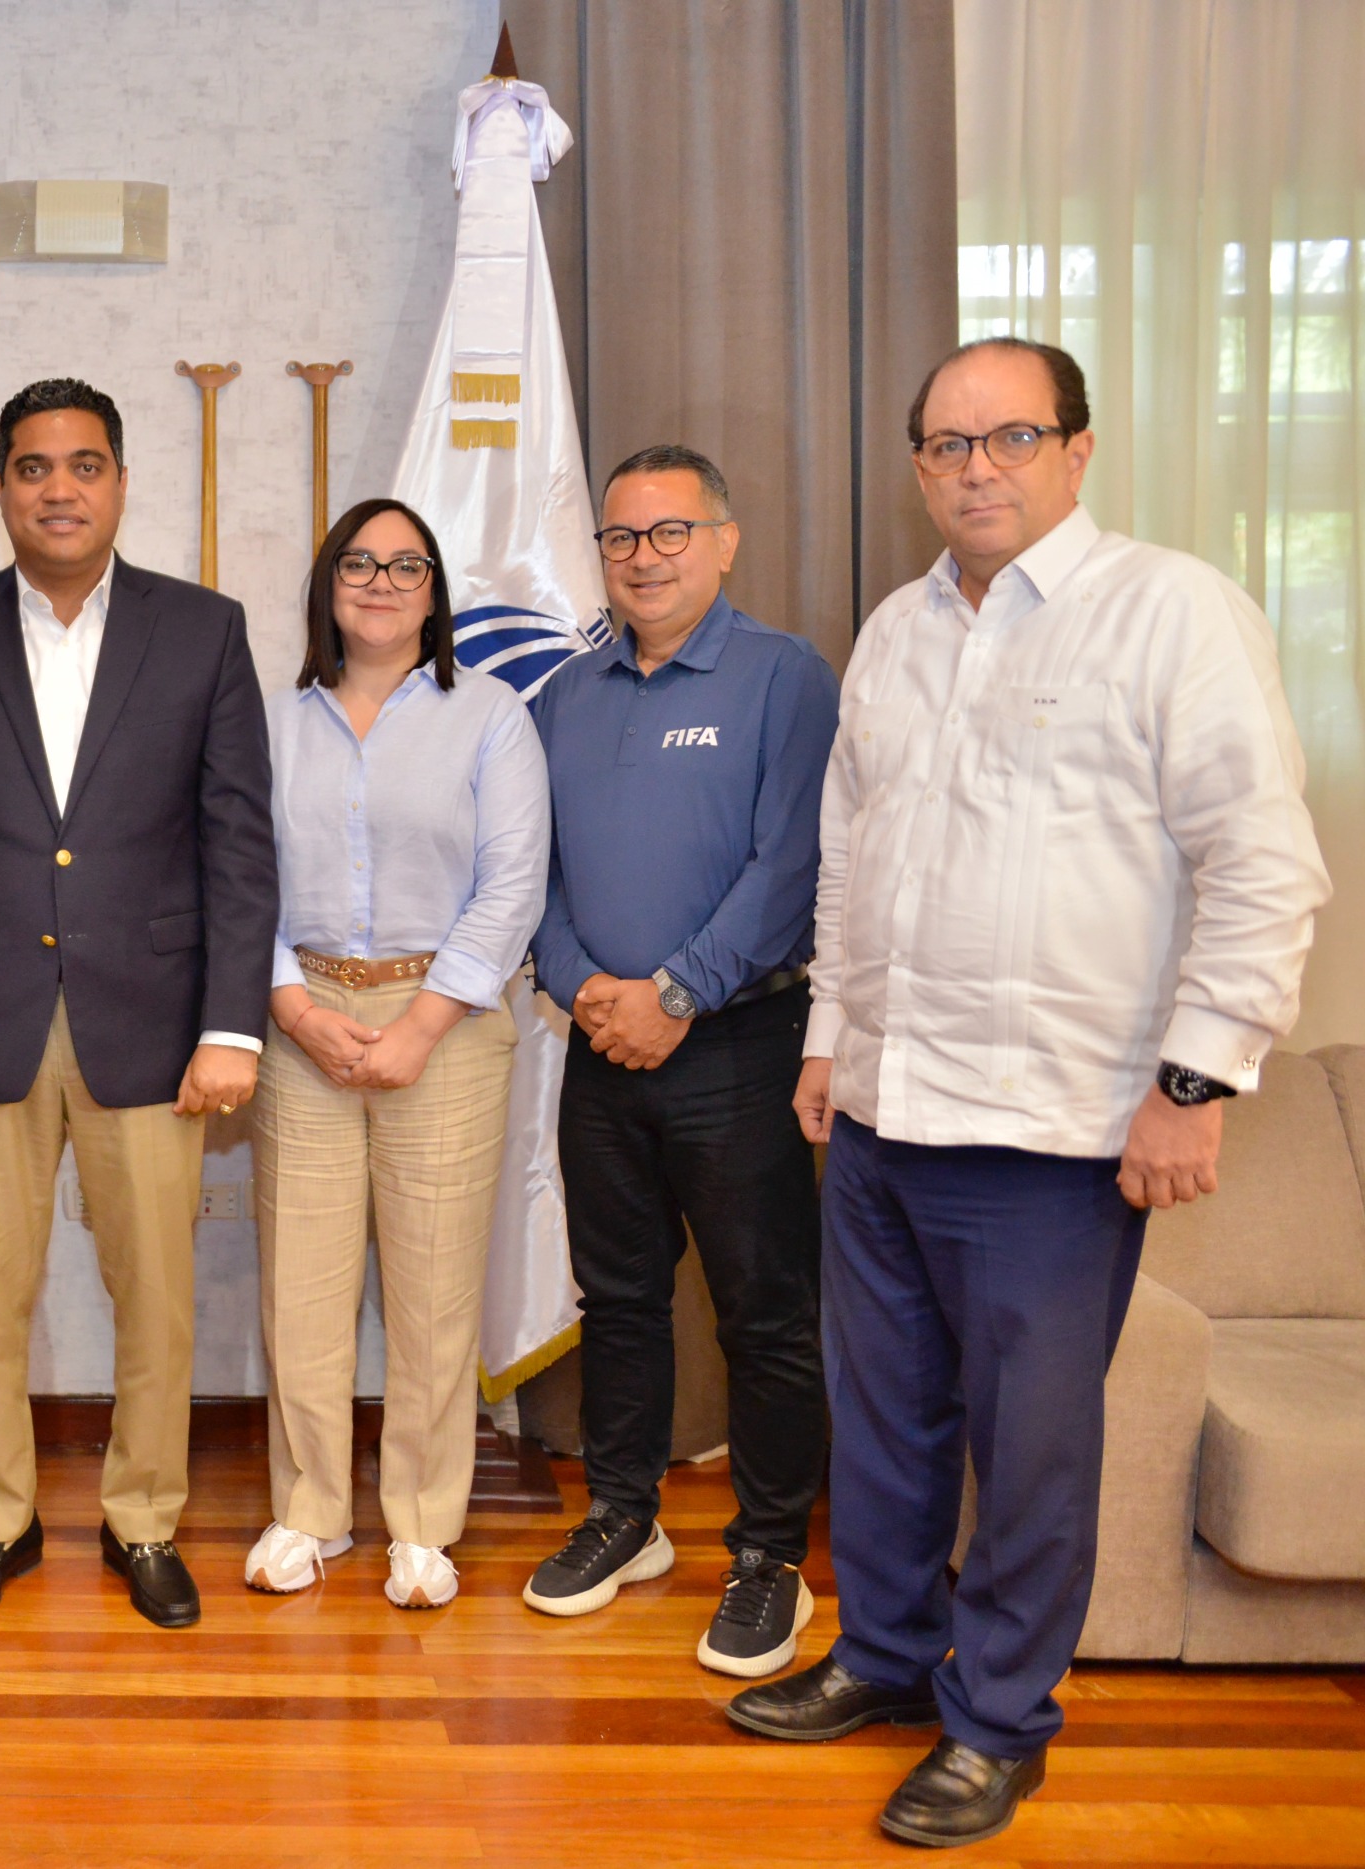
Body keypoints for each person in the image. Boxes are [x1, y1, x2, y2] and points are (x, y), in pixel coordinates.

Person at [725, 338, 1328, 1847]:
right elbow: (854, 854)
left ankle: (998, 1721)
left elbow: (1262, 863)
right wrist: (827, 1042)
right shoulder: (895, 631)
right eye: (945, 443)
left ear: (1078, 449)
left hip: (1056, 1134)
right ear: (918, 463)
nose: (974, 468)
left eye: (1008, 438)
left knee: (1034, 1444)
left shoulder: (1171, 613)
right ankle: (882, 1658)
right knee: (887, 1423)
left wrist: (1195, 1079)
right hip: (881, 1110)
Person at [0, 378, 276, 1630]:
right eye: (34, 467)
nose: (59, 488)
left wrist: (230, 1023)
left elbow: (238, 841)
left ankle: (144, 1520)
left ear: (118, 481)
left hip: (152, 1022)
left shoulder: (203, 630)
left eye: (84, 465)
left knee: (155, 1289)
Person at [519, 446, 841, 1679]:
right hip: (600, 1046)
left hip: (738, 1044)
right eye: (620, 538)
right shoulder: (567, 691)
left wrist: (675, 993)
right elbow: (531, 865)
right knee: (620, 1300)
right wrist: (584, 988)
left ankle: (767, 1560)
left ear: (724, 539)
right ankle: (624, 1517)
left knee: (764, 1315)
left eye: (668, 533)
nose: (642, 558)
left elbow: (793, 864)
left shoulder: (783, 678)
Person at [242, 499, 549, 1611]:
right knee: (303, 1290)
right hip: (300, 1019)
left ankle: (423, 1521)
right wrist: (289, 1003)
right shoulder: (272, 722)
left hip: (450, 1024)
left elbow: (513, 882)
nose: (380, 581)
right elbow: (238, 876)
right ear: (328, 585)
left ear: (434, 590)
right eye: (358, 564)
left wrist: (421, 1022)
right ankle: (309, 1511)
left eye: (405, 564)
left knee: (430, 1288)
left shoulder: (493, 717)